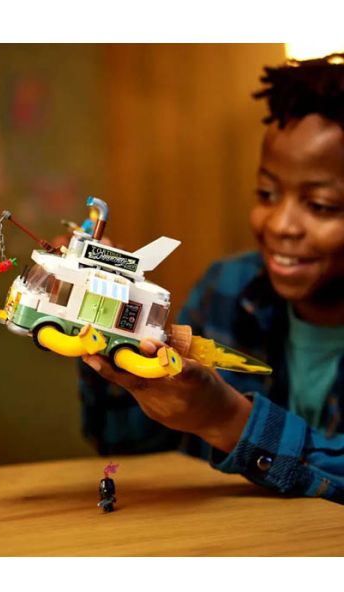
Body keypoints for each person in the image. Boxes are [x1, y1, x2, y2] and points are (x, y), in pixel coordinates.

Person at [79, 53, 344, 504]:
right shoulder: (228, 289)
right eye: (267, 194)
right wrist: (110, 348)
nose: (280, 224)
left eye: (320, 205)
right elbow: (124, 442)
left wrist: (229, 420)